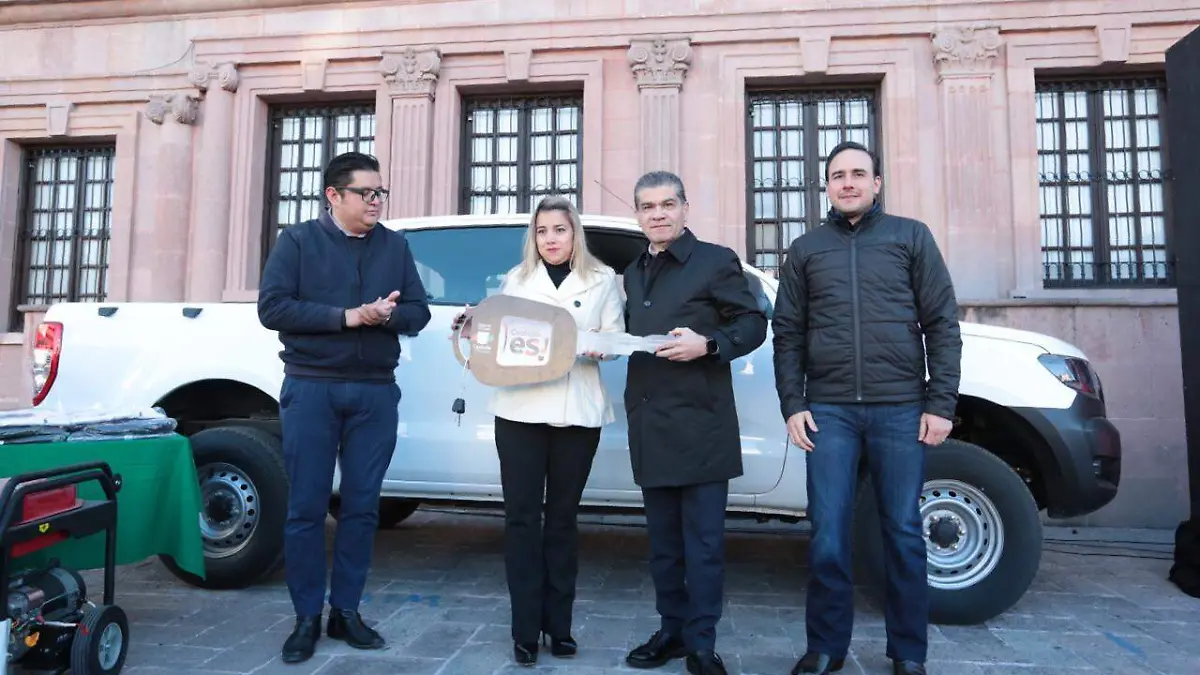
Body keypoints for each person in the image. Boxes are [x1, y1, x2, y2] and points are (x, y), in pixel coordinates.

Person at [771, 141, 962, 675]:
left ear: (877, 183)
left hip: (900, 408)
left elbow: (942, 323)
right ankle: (826, 647)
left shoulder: (911, 237)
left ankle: (908, 653)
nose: (848, 182)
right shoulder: (806, 249)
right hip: (829, 411)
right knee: (827, 535)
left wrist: (940, 402)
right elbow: (787, 333)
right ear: (827, 186)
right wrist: (793, 403)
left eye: (859, 173)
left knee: (902, 533)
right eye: (838, 175)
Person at [257, 151, 432, 664]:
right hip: (312, 389)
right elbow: (273, 307)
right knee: (307, 507)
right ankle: (306, 617)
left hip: (374, 392)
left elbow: (419, 312)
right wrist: (348, 316)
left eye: (381, 193)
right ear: (334, 196)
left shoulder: (395, 246)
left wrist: (387, 316)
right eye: (366, 193)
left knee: (361, 507)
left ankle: (346, 611)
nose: (376, 201)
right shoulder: (297, 242)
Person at [451, 195, 625, 667]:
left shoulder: (602, 279)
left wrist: (598, 347)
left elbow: (613, 337)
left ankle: (560, 627)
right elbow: (495, 339)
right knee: (522, 519)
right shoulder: (516, 280)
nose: (551, 239)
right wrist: (471, 328)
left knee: (563, 520)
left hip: (577, 410)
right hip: (520, 411)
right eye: (542, 231)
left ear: (575, 234)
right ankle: (525, 630)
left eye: (559, 230)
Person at [620, 171, 767, 675]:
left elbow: (752, 323)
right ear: (638, 215)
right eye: (647, 206)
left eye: (667, 204)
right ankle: (672, 632)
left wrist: (708, 345)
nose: (658, 214)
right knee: (663, 546)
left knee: (702, 546)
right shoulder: (633, 270)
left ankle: (702, 643)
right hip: (650, 421)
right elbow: (634, 333)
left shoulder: (715, 260)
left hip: (702, 424)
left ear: (685, 208)